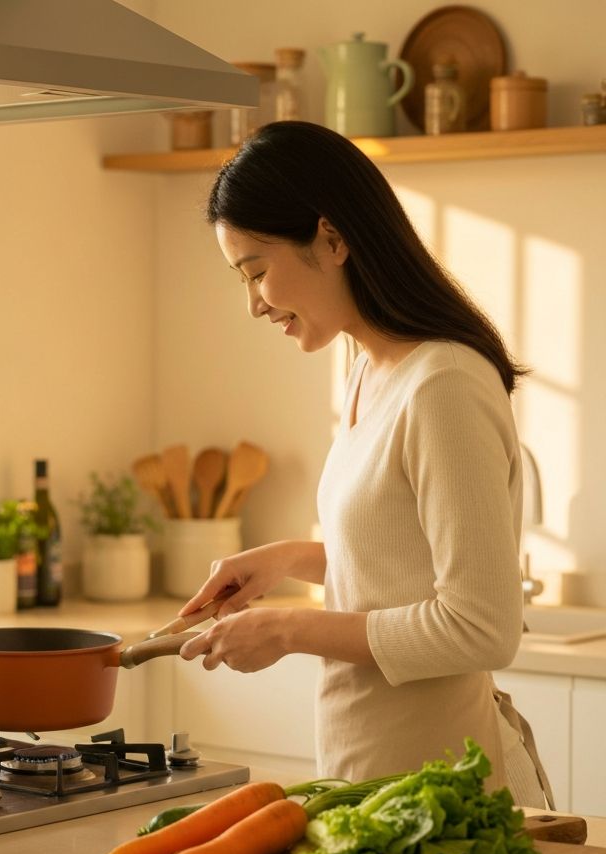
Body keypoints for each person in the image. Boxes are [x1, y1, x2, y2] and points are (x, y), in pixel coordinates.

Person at [177, 120, 551, 808]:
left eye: (257, 272)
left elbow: (482, 626)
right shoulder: (368, 372)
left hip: (449, 797)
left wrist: (289, 628)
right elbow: (399, 563)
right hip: (377, 784)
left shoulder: (443, 384)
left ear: (333, 238)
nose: (253, 303)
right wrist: (289, 559)